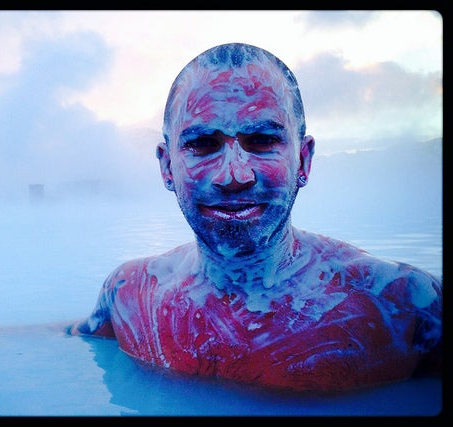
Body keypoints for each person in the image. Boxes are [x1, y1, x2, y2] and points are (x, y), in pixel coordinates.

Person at [68, 43, 442, 392]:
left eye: (262, 140)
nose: (234, 175)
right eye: (202, 144)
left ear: (303, 159)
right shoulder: (129, 295)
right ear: (168, 166)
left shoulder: (404, 306)